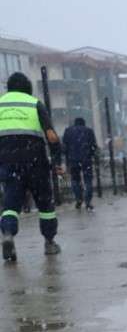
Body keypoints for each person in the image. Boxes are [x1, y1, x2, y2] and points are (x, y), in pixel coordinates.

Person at [0, 72, 63, 261]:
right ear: (28, 87)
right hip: (35, 161)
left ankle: (8, 233)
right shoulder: (34, 104)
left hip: (8, 162)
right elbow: (51, 135)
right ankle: (49, 242)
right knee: (45, 203)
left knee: (10, 204)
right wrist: (57, 160)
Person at [62, 117, 98, 210]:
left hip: (73, 160)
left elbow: (64, 147)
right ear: (84, 123)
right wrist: (91, 154)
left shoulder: (68, 131)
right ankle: (88, 201)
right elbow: (94, 146)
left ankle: (78, 199)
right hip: (86, 160)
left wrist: (67, 159)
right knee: (88, 180)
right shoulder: (89, 131)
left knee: (75, 180)